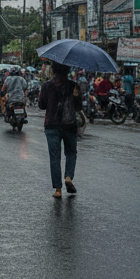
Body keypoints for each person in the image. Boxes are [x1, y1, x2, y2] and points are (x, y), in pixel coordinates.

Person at [38, 61, 82, 198]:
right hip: (69, 125)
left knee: (55, 158)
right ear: (67, 71)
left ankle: (58, 189)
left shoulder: (46, 86)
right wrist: (76, 96)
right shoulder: (73, 86)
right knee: (71, 152)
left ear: (53, 71)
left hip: (51, 125)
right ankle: (68, 176)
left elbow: (41, 105)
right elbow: (79, 107)